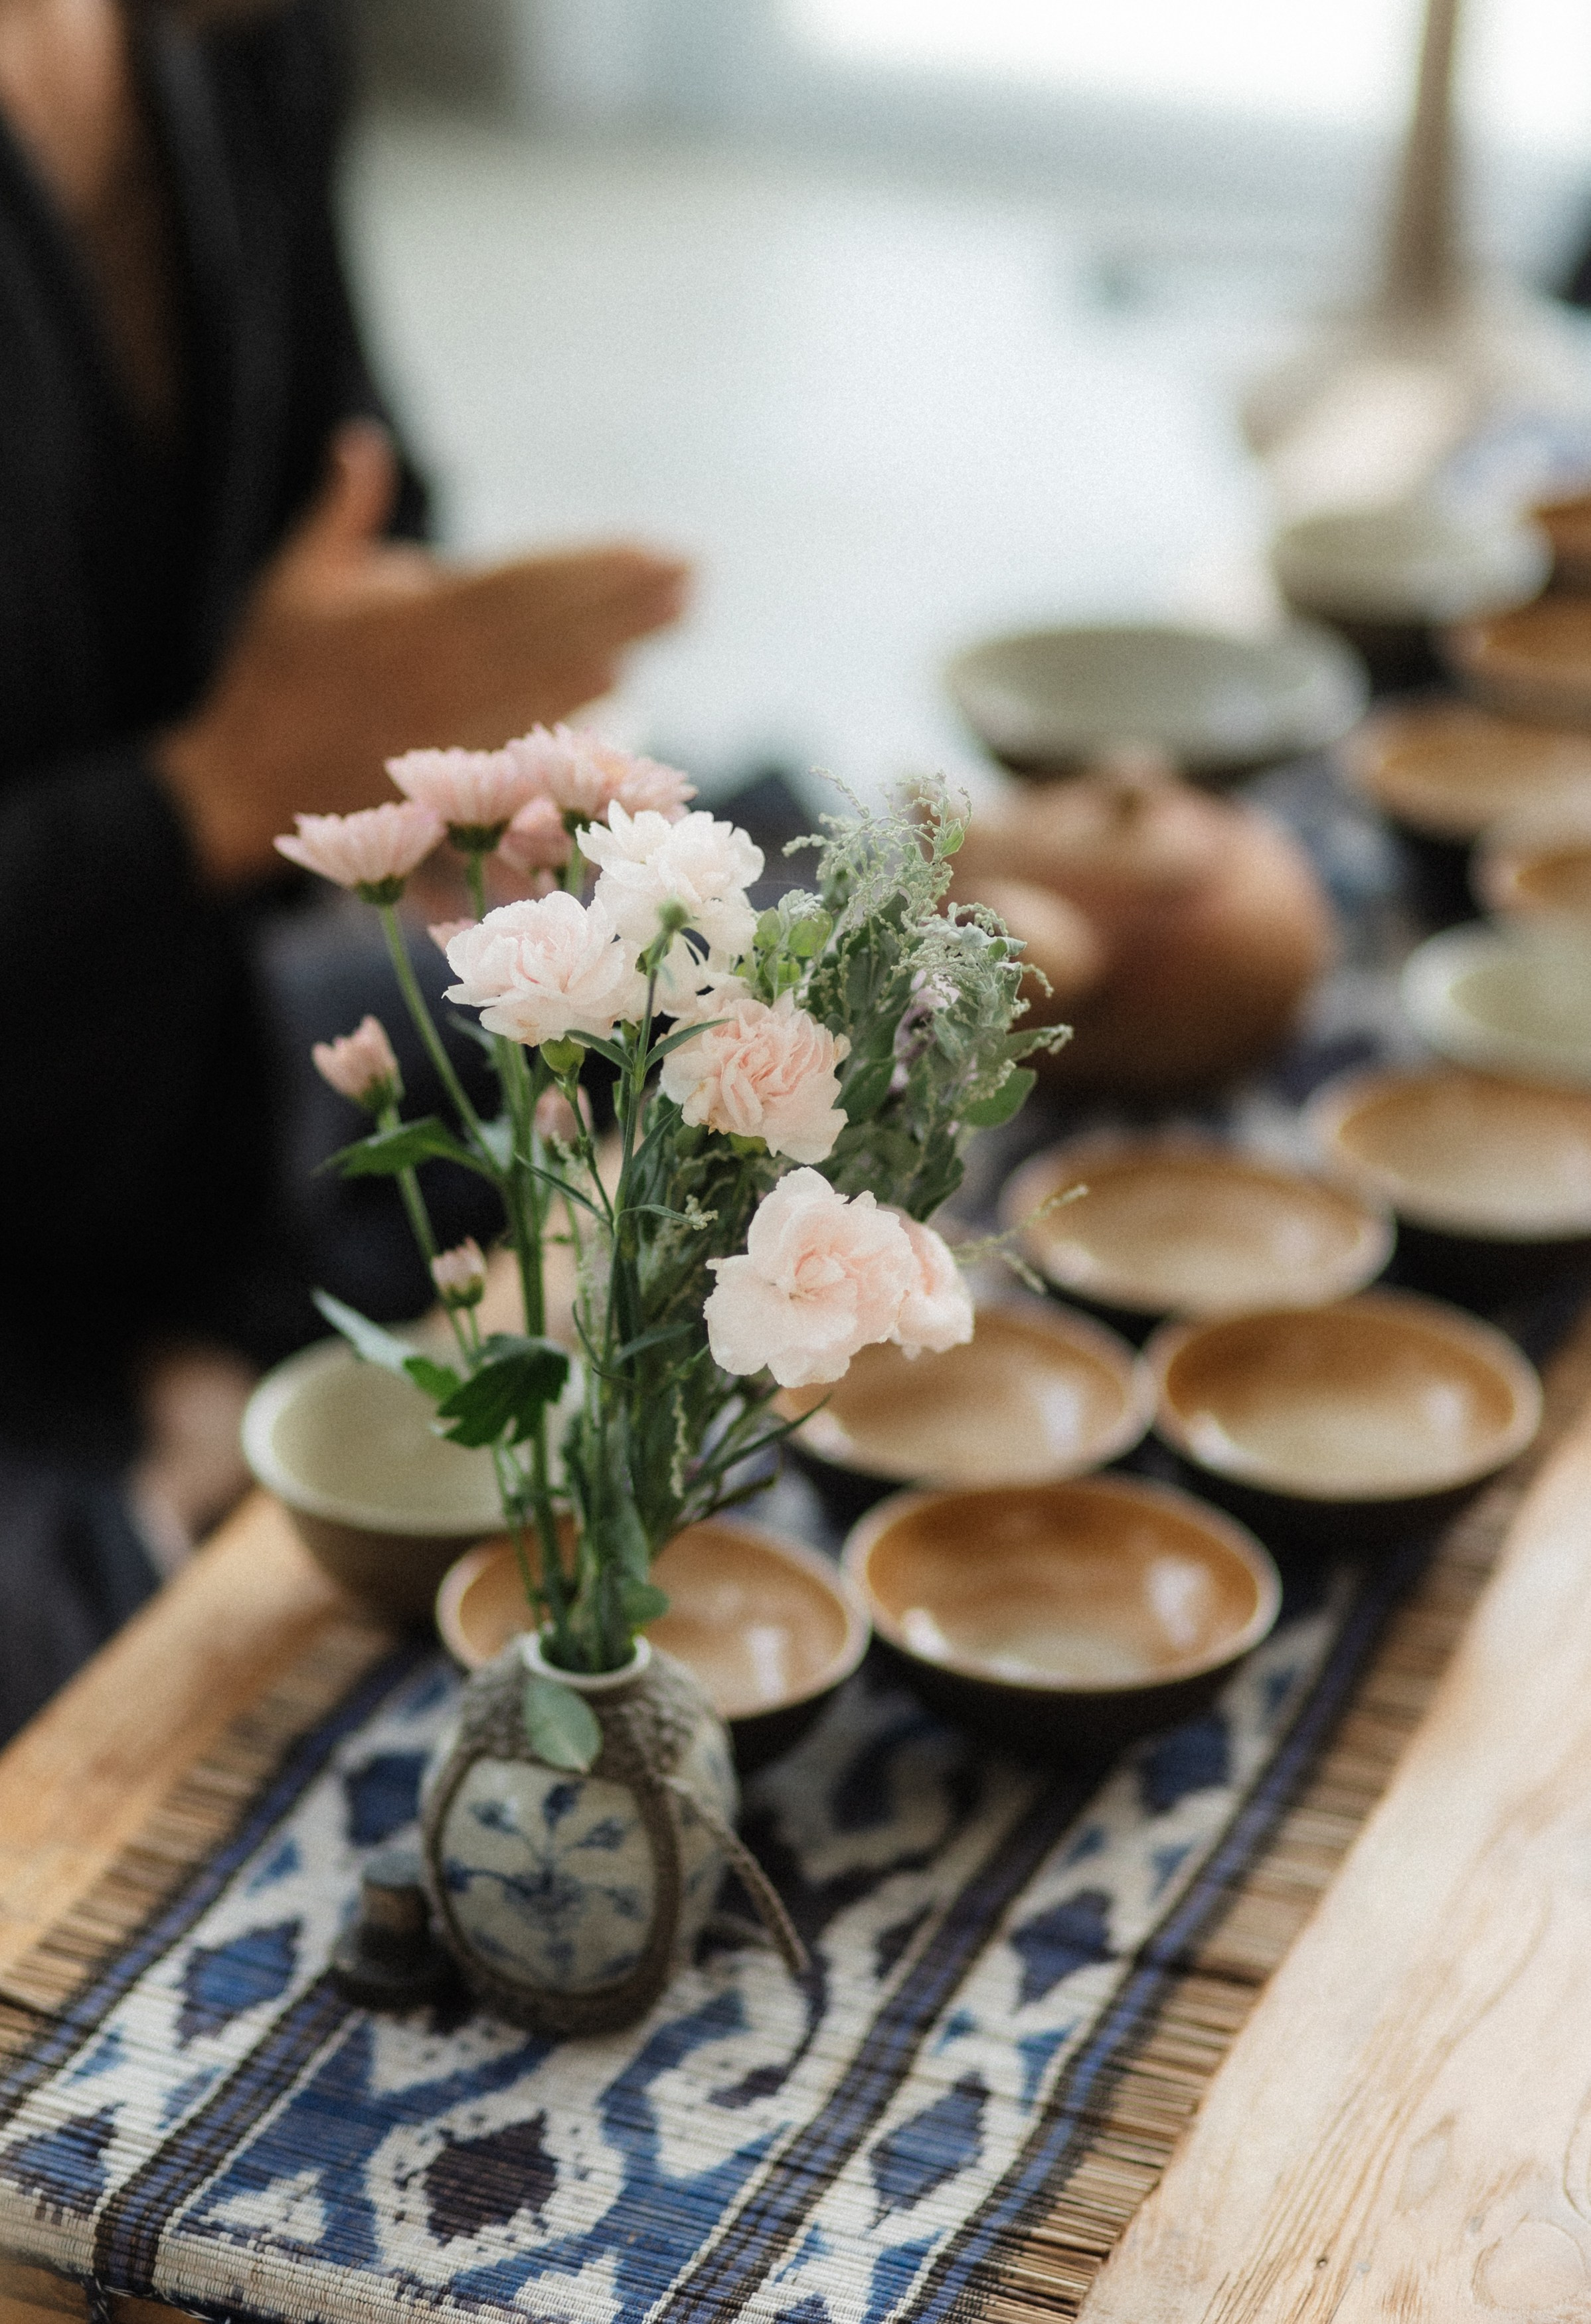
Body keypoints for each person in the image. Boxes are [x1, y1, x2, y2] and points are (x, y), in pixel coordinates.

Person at [0, 0, 689, 1733]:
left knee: (762, 957)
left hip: (172, 1055)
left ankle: (194, 1364)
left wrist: (438, 719)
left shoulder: (227, 33)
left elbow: (352, 485)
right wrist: (214, 789)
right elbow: (239, 768)